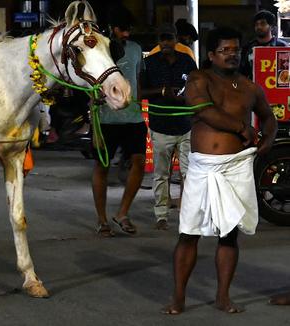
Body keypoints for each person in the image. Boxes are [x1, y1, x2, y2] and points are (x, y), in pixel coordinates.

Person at [162, 27, 277, 315]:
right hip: (204, 167)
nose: (232, 54)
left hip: (237, 166)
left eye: (236, 50)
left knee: (229, 235)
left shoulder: (250, 87)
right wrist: (242, 127)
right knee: (189, 233)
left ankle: (223, 297)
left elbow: (268, 117)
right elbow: (205, 111)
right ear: (211, 54)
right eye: (225, 50)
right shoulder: (199, 79)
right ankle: (178, 297)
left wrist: (268, 140)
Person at [92, 13, 146, 237]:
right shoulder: (98, 49)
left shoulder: (135, 49)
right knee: (101, 167)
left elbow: (138, 79)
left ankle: (122, 213)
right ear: (112, 28)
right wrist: (92, 103)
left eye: (129, 29)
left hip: (133, 118)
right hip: (106, 119)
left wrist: (141, 108)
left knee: (139, 162)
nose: (126, 33)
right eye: (122, 28)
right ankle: (102, 220)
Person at [141, 24, 197, 231]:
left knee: (189, 174)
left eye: (169, 38)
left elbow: (197, 86)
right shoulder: (150, 63)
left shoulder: (187, 61)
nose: (165, 42)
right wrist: (162, 91)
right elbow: (140, 92)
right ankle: (161, 215)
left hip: (185, 126)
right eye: (162, 38)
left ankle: (188, 214)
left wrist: (186, 96)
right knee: (161, 174)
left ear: (175, 40)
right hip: (161, 126)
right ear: (158, 40)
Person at [240, 10, 288, 79]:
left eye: (263, 24)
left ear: (271, 27)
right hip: (254, 88)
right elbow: (242, 73)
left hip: (275, 87)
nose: (259, 27)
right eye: (256, 24)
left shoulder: (282, 47)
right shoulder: (248, 48)